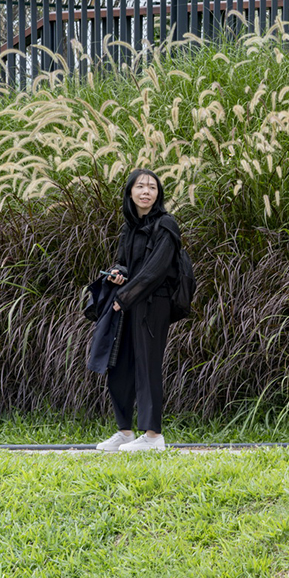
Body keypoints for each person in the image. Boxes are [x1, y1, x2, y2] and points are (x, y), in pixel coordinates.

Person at [95, 168, 184, 452]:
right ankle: (125, 432)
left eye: (152, 188)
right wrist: (116, 275)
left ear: (158, 194)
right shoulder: (129, 227)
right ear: (130, 192)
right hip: (128, 301)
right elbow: (124, 263)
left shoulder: (166, 224)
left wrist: (125, 295)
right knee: (119, 366)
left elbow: (156, 269)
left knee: (147, 366)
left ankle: (154, 436)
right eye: (140, 187)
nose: (147, 192)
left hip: (151, 303)